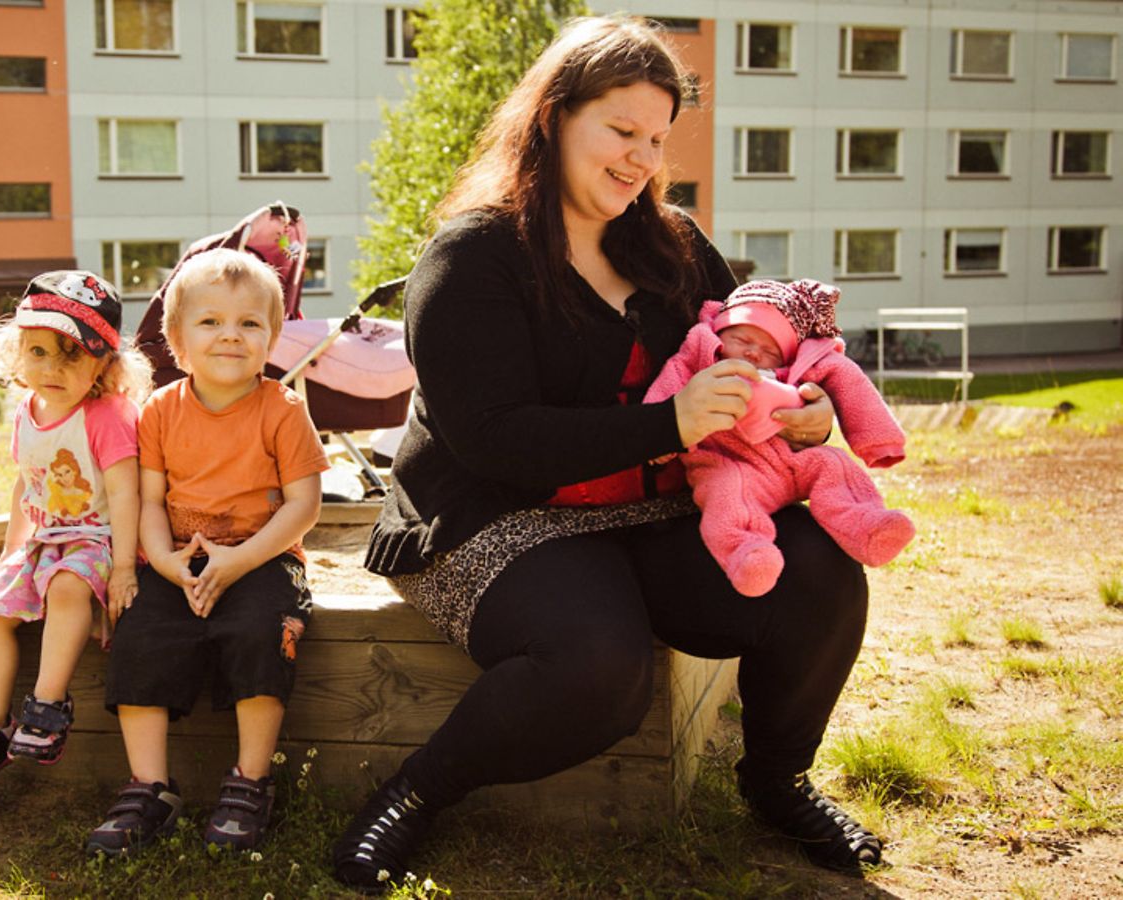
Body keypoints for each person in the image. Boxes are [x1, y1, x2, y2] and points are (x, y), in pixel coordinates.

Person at [332, 16, 882, 889]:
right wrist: (674, 424)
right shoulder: (472, 257)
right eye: (621, 131)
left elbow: (749, 357)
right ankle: (413, 793)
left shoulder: (674, 243)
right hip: (495, 513)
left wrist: (803, 413)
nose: (639, 159)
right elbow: (494, 438)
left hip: (653, 506)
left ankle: (778, 785)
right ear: (554, 118)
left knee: (819, 569)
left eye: (656, 139)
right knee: (602, 668)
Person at [85, 248, 328, 857]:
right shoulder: (159, 412)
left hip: (264, 557)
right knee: (140, 634)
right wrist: (163, 562)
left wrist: (240, 561)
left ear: (272, 337)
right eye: (211, 321)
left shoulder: (283, 409)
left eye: (250, 323)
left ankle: (250, 782)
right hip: (180, 559)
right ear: (177, 340)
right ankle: (150, 788)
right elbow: (148, 500)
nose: (230, 335)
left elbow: (303, 507)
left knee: (260, 632)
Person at [0, 271, 149, 789]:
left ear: (105, 361)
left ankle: (47, 704)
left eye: (71, 354)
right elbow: (25, 485)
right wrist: (11, 554)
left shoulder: (107, 416)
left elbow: (127, 494)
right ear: (17, 352)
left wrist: (124, 566)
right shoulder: (26, 412)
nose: (51, 368)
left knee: (65, 586)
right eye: (38, 352)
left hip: (99, 538)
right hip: (45, 538)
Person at [643, 278, 915, 597]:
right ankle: (749, 555)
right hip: (728, 463)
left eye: (770, 350)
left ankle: (867, 526)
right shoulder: (697, 362)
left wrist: (879, 441)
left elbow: (849, 381)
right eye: (742, 338)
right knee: (726, 495)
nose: (753, 353)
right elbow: (666, 394)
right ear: (718, 333)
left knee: (834, 464)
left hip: (791, 460)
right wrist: (660, 440)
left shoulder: (797, 371)